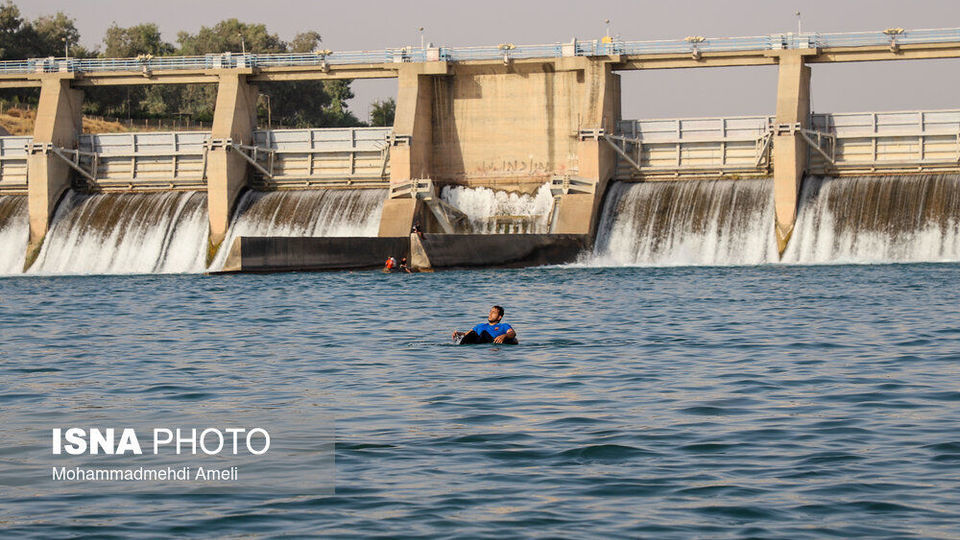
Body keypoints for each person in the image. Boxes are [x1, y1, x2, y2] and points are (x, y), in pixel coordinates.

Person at [452, 305, 518, 345]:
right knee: (472, 333)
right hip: (478, 342)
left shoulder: (503, 326)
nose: (490, 314)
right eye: (490, 311)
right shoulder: (480, 326)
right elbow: (466, 334)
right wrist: (458, 334)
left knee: (483, 333)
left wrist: (504, 336)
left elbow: (512, 333)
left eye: (493, 312)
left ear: (499, 317)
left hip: (491, 341)